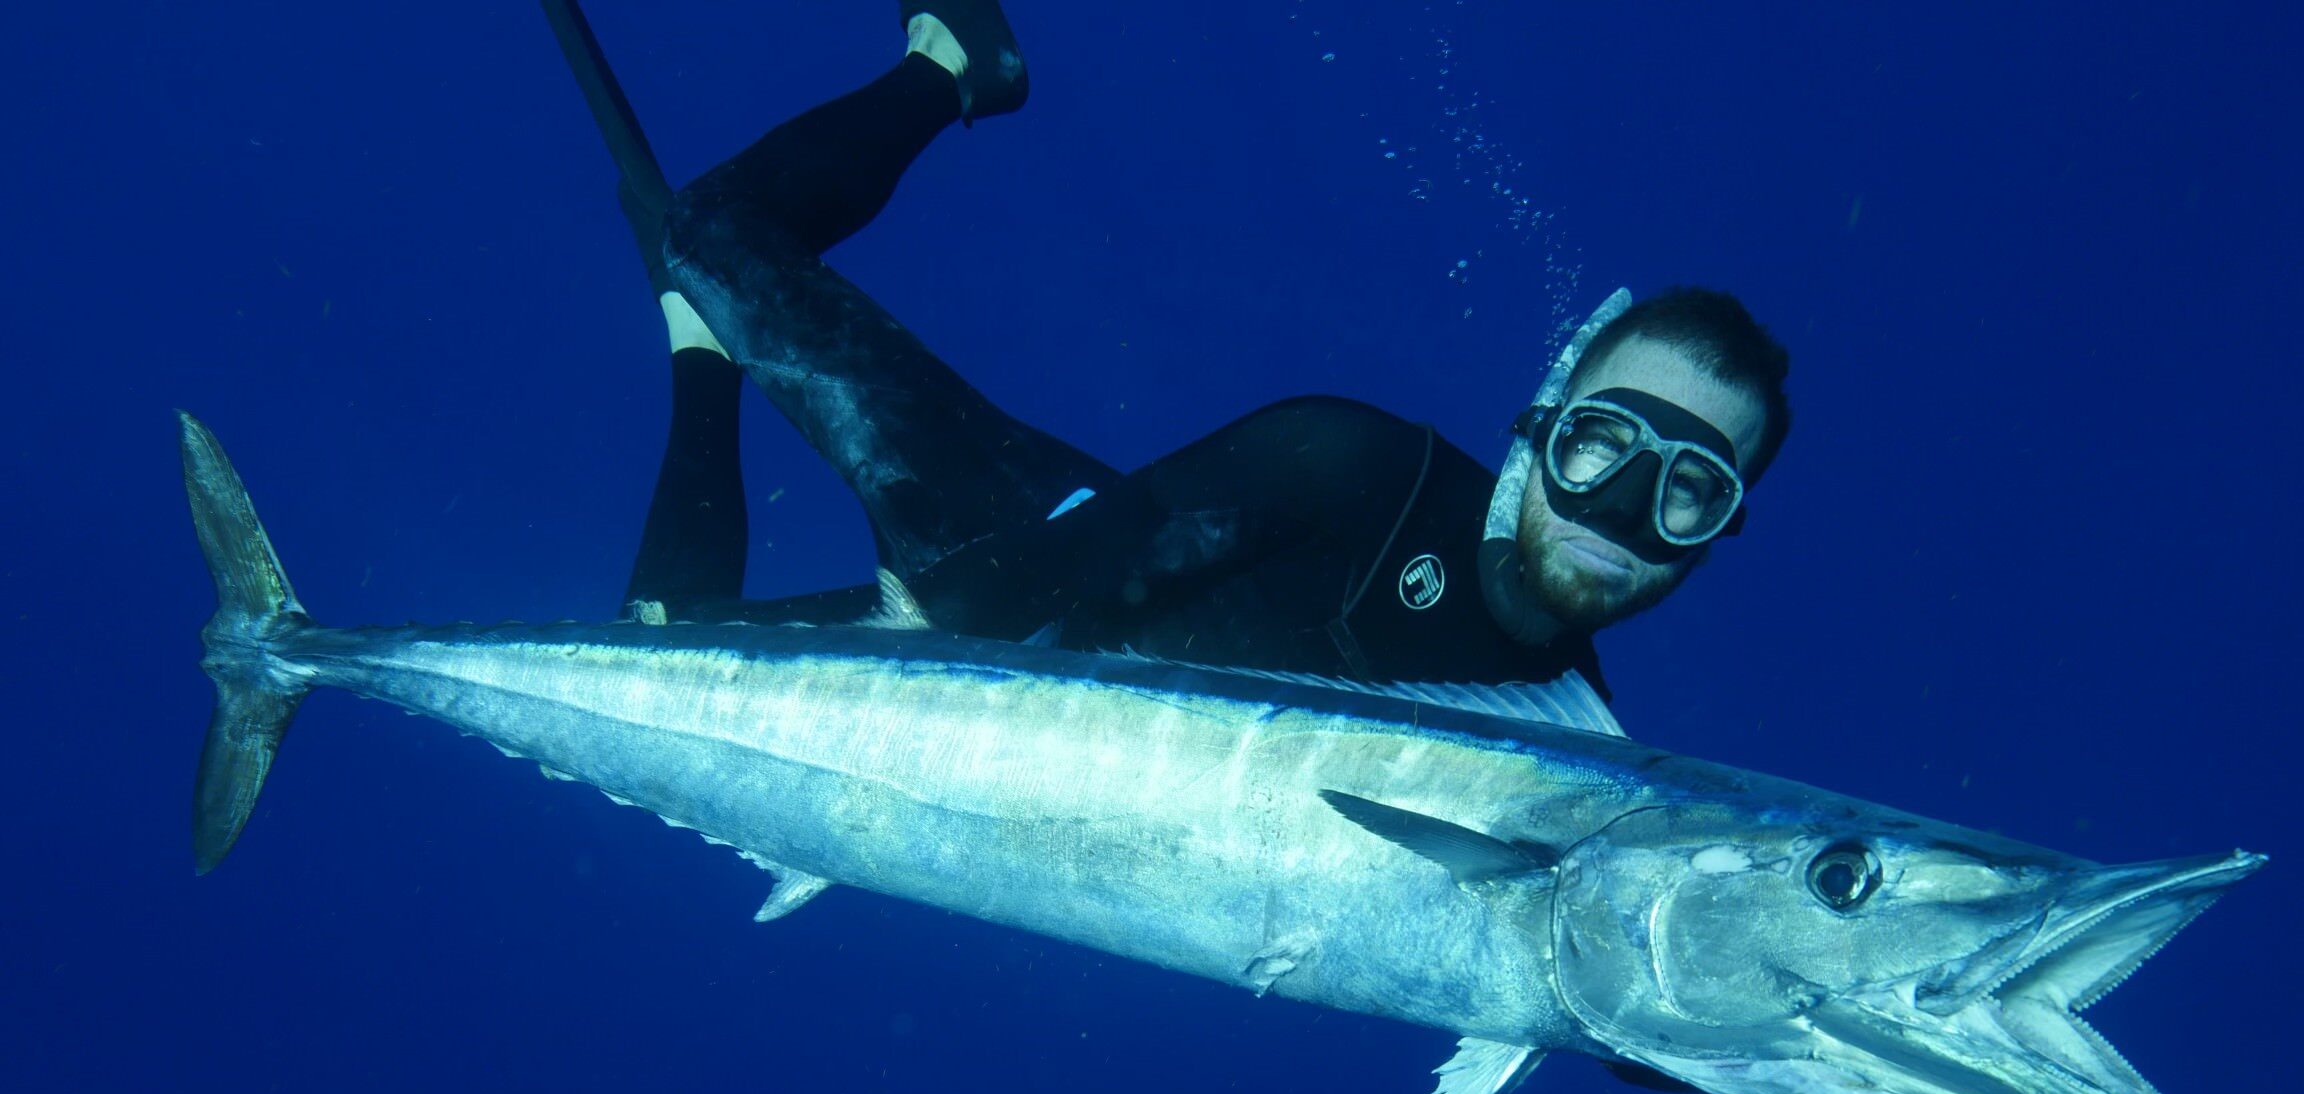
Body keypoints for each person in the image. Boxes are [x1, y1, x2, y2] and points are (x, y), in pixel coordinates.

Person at [540, 0, 1793, 695]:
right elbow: (1040, 580)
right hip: (1012, 554)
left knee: (657, 635)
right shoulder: (1356, 462)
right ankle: (954, 63)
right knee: (713, 226)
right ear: (1543, 425)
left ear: (1719, 537)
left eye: (1689, 489)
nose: (1625, 508)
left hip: (1039, 711)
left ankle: (699, 346)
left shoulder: (1577, 744)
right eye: (1607, 441)